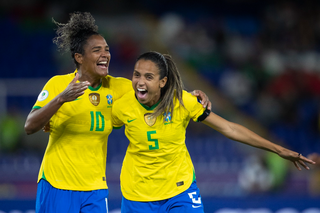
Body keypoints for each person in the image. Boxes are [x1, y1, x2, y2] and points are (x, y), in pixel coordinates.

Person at [24, 12, 211, 213]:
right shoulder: (58, 84)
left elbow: (154, 88)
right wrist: (61, 99)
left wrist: (187, 96)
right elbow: (30, 126)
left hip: (95, 188)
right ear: (79, 57)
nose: (105, 54)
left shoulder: (118, 87)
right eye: (97, 50)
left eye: (107, 49)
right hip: (56, 182)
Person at [111, 51, 316, 213]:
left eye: (148, 76)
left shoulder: (183, 102)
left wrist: (278, 149)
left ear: (162, 82)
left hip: (179, 191)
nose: (140, 81)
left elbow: (229, 128)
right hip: (137, 195)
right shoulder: (122, 106)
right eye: (136, 75)